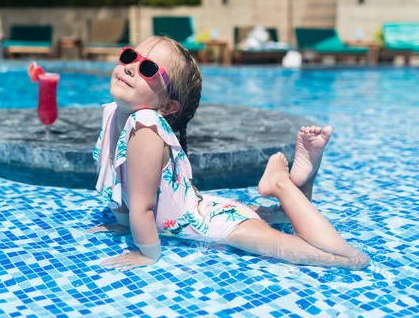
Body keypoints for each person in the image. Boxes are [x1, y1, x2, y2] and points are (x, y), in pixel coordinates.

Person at [88, 36, 369, 271]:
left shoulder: (144, 125)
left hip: (210, 224)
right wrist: (123, 225)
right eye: (129, 56)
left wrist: (146, 253)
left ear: (169, 105)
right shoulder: (114, 113)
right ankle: (299, 184)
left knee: (345, 260)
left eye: (148, 68)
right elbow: (120, 182)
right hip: (200, 209)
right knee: (281, 217)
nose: (130, 68)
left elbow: (143, 207)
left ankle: (281, 184)